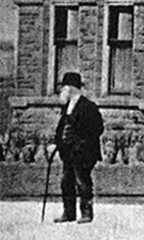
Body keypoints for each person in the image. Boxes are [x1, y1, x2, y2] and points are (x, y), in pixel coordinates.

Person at [53, 72, 103, 224]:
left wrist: (81, 142)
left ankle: (86, 213)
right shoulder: (67, 106)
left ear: (71, 88)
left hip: (83, 152)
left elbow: (97, 128)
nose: (62, 92)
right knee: (66, 182)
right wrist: (56, 143)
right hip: (68, 152)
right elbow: (61, 127)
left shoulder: (88, 106)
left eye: (64, 88)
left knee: (82, 181)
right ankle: (69, 213)